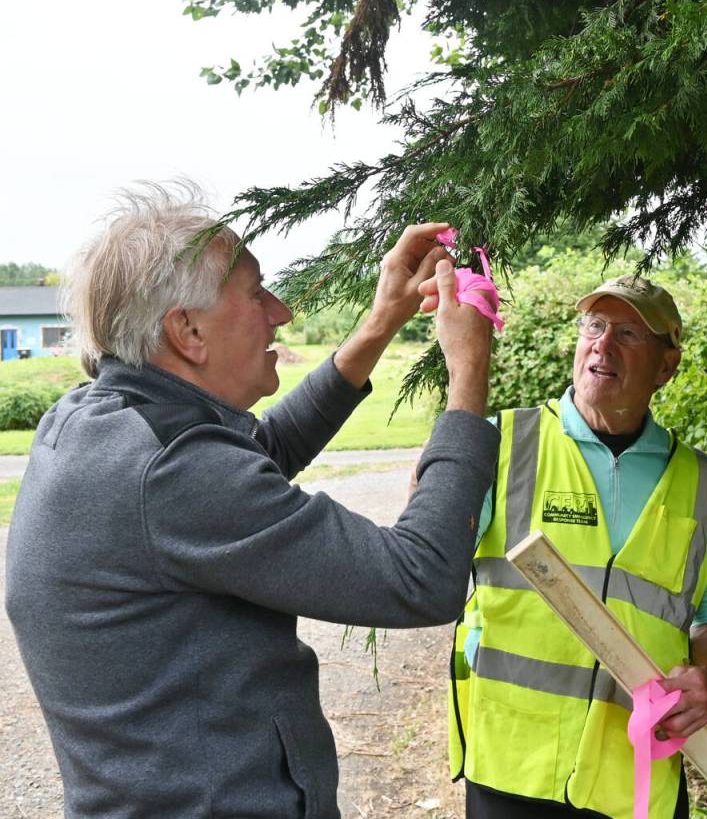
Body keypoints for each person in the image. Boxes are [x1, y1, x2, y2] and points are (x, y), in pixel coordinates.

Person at [4, 182, 498, 819]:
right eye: (257, 292)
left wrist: (381, 321)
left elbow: (258, 457)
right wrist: (468, 374)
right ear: (188, 331)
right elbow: (419, 578)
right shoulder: (175, 471)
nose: (281, 313)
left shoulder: (99, 422)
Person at [436, 274, 707, 819]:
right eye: (594, 326)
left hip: (635, 778)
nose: (603, 344)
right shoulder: (503, 442)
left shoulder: (701, 482)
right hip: (512, 766)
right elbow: (430, 552)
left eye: (628, 333)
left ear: (666, 367)